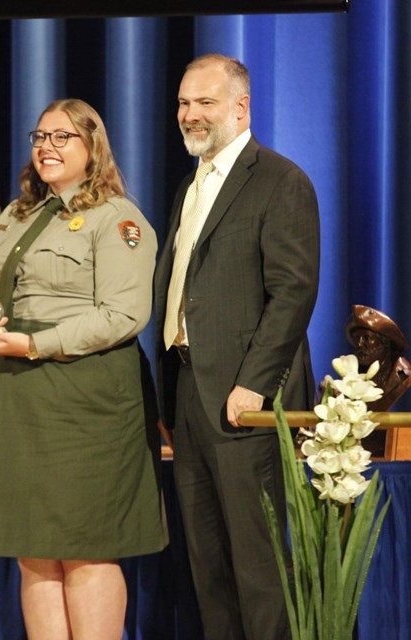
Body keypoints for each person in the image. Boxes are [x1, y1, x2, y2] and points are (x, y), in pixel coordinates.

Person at [0, 98, 167, 640]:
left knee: (85, 549)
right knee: (34, 549)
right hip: (20, 394)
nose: (46, 147)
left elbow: (123, 315)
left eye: (62, 138)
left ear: (91, 147)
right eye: (40, 137)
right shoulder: (17, 212)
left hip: (88, 399)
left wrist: (30, 343)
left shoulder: (117, 218)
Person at [154, 53, 320, 640]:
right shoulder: (190, 184)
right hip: (190, 396)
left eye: (205, 102)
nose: (189, 114)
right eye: (183, 102)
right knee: (209, 566)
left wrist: (253, 384)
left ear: (241, 107)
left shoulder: (280, 180)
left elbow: (293, 293)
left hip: (244, 403)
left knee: (258, 567)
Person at [346, 304, 411, 411]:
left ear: (384, 341)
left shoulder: (403, 375)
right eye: (357, 338)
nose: (360, 344)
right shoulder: (352, 377)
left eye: (367, 338)